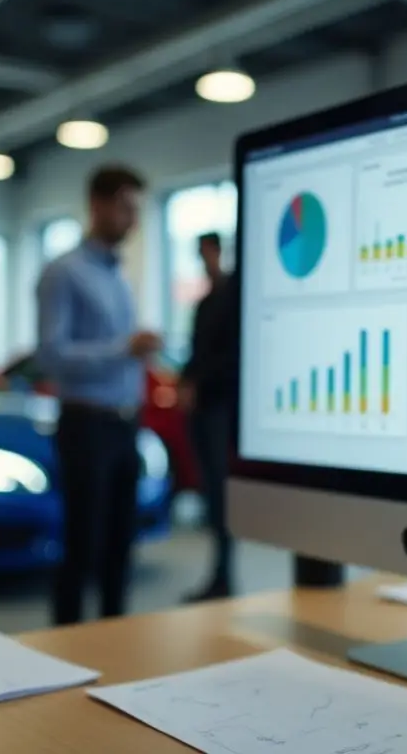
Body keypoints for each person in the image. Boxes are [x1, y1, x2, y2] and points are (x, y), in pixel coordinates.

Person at [37, 164, 162, 624]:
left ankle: (115, 641)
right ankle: (65, 644)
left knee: (120, 548)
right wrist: (122, 348)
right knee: (82, 547)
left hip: (126, 423)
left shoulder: (117, 277)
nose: (133, 220)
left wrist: (134, 353)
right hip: (85, 425)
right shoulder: (63, 273)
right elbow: (50, 355)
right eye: (127, 208)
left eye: (137, 211)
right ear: (98, 204)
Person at [178, 232, 239, 602]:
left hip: (221, 409)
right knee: (211, 494)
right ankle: (219, 576)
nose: (205, 260)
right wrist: (185, 382)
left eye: (207, 253)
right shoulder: (203, 304)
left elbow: (231, 356)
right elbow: (195, 352)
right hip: (200, 410)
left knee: (222, 494)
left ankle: (224, 576)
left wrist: (199, 383)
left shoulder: (234, 298)